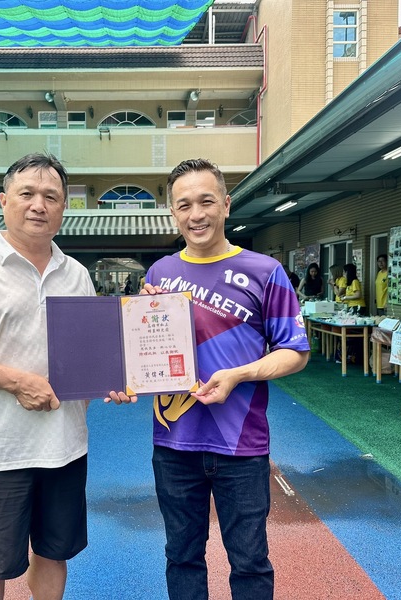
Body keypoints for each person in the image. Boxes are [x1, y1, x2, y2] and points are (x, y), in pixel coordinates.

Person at [0, 153, 128, 600]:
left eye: (51, 196)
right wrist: (17, 381)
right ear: (3, 201)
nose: (39, 204)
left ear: (63, 208)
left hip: (65, 446)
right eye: (27, 194)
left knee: (54, 554)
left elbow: (90, 357)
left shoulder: (76, 274)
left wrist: (110, 382)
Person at [113, 158, 309, 600]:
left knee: (250, 563)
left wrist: (239, 374)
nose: (196, 214)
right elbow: (147, 351)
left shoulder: (265, 271)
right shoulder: (159, 273)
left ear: (226, 204)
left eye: (206, 201)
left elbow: (294, 352)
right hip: (173, 442)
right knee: (181, 556)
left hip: (242, 445)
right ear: (172, 212)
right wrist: (130, 374)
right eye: (184, 205)